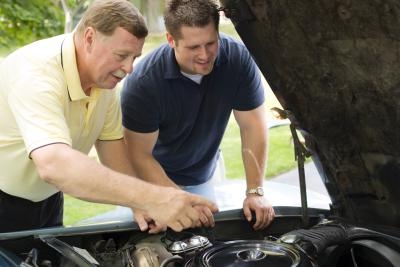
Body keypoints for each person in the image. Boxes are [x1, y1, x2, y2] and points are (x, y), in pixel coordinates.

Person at [0, 0, 218, 234]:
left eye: (134, 57)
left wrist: (140, 206)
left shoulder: (104, 84)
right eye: (121, 55)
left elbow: (113, 150)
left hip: (49, 199)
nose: (129, 69)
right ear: (90, 38)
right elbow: (54, 164)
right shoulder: (36, 75)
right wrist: (153, 198)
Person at [121, 0, 275, 232]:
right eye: (194, 47)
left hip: (203, 172)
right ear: (171, 40)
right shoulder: (144, 83)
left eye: (211, 43)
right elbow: (138, 154)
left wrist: (255, 191)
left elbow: (252, 126)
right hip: (151, 180)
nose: (205, 55)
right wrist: (178, 200)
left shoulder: (238, 60)